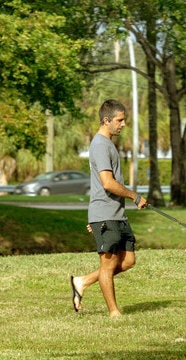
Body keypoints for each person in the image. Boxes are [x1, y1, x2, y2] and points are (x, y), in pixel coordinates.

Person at [70, 99, 147, 317]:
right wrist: (134, 196)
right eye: (119, 120)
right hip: (106, 215)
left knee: (129, 260)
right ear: (106, 120)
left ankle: (82, 281)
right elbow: (107, 183)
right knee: (107, 265)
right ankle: (114, 312)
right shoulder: (100, 145)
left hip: (115, 214)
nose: (123, 124)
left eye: (124, 120)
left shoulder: (107, 144)